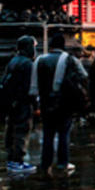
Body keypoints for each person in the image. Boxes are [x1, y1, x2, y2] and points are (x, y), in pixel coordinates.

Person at [30, 33, 88, 175]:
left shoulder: (40, 60)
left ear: (50, 45)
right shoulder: (70, 59)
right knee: (64, 133)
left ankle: (46, 162)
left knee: (48, 133)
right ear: (63, 45)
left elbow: (34, 83)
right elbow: (84, 76)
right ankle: (63, 162)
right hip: (64, 101)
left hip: (45, 101)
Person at [1, 35, 37, 174]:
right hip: (23, 102)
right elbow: (30, 86)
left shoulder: (14, 61)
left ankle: (11, 159)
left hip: (12, 102)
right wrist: (35, 104)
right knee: (22, 130)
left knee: (11, 129)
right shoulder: (27, 64)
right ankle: (18, 161)